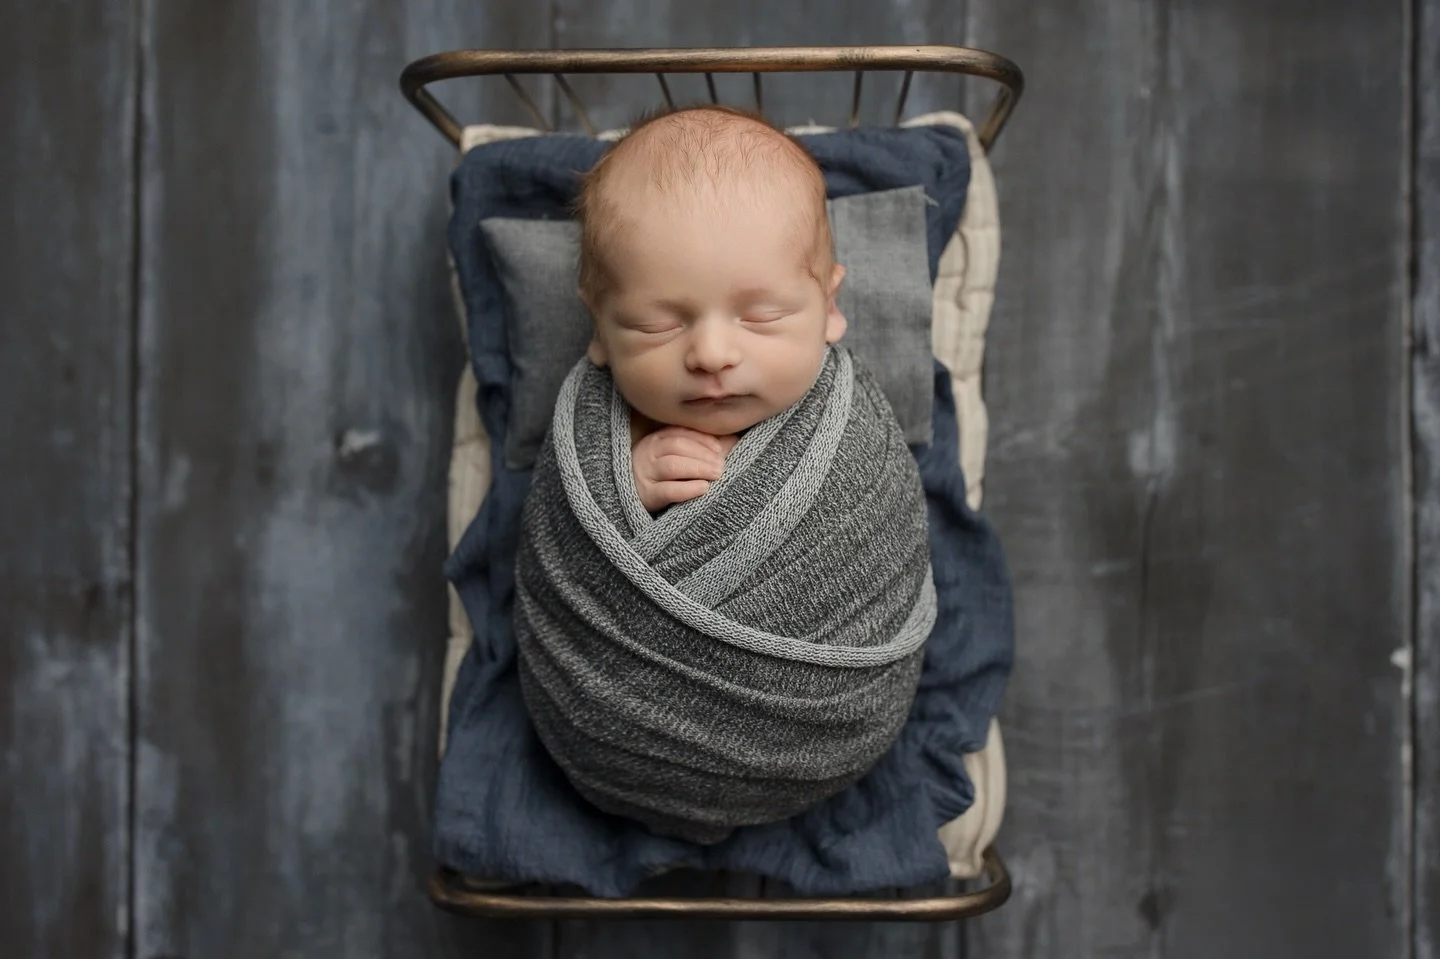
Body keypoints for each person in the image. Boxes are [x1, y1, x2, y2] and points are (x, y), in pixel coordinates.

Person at [573, 105, 849, 511]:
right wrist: (619, 495)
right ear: (599, 327)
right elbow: (554, 542)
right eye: (657, 325)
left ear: (829, 307)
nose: (712, 356)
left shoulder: (853, 425)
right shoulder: (592, 433)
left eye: (761, 317)